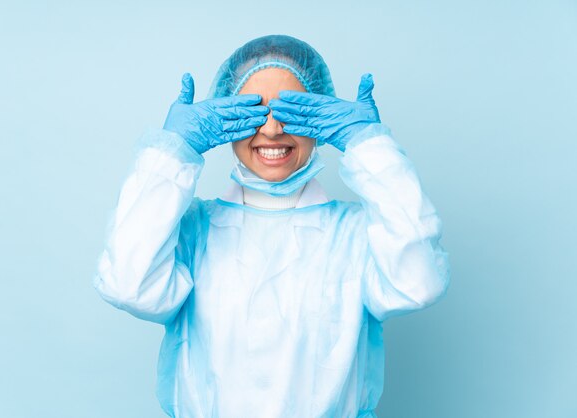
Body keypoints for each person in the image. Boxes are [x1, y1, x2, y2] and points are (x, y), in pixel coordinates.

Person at [93, 34, 450, 418]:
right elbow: (128, 285)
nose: (273, 130)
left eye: (291, 111)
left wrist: (369, 146)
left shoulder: (357, 234)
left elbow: (418, 285)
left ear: (320, 118)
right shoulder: (193, 231)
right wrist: (174, 150)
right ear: (226, 118)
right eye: (254, 111)